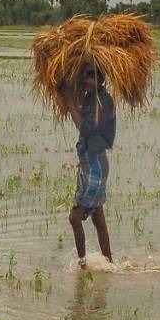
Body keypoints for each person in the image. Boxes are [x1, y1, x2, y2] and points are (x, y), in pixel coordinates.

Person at [62, 64, 116, 268]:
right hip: (88, 163)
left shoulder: (103, 102)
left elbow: (87, 128)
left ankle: (83, 266)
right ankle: (110, 264)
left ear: (101, 79)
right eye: (84, 77)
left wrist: (68, 100)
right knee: (98, 218)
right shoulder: (91, 98)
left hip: (95, 166)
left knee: (75, 218)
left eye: (92, 77)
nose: (87, 81)